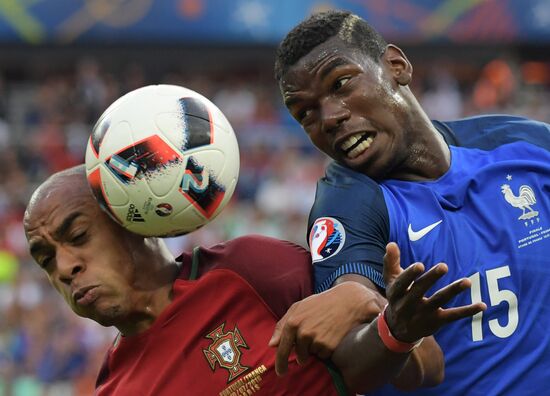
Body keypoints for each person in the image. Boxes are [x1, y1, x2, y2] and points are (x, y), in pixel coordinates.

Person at [273, 9, 550, 396]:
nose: (330, 117)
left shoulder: (528, 147)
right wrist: (395, 331)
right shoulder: (348, 206)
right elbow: (352, 363)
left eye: (340, 84)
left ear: (396, 66)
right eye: (306, 113)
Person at [23, 165, 483, 395]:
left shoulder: (251, 269)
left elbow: (425, 366)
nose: (64, 267)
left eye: (77, 237)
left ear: (130, 218)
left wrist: (387, 322)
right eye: (46, 258)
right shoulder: (116, 389)